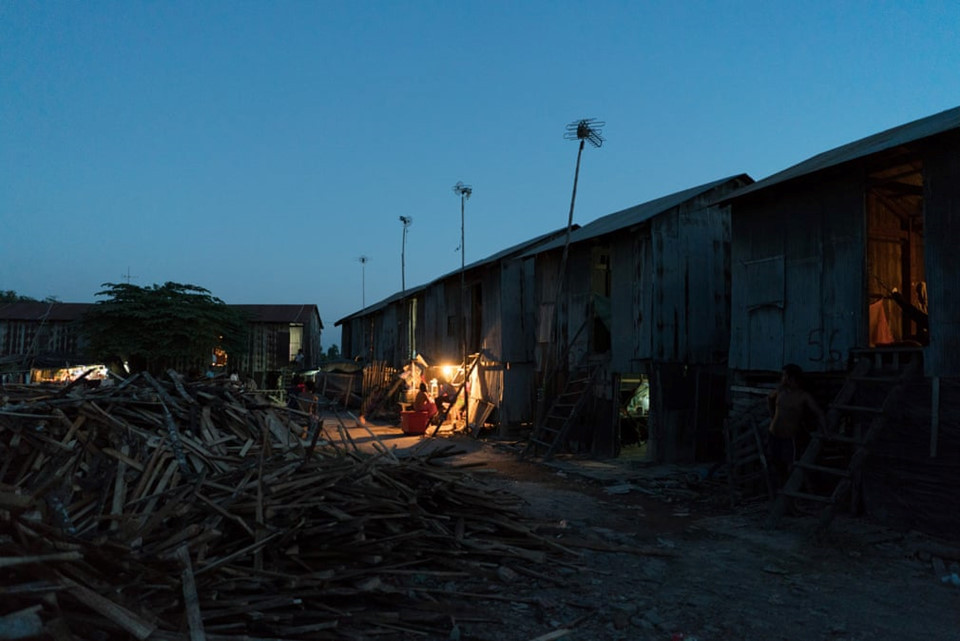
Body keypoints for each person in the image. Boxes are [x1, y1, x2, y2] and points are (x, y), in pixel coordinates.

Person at [766, 364, 826, 492]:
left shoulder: (803, 396)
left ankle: (789, 494)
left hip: (789, 437)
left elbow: (818, 413)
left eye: (784, 375)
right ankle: (778, 490)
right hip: (774, 434)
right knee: (774, 462)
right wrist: (772, 415)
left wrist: (826, 431)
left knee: (790, 465)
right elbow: (769, 398)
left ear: (790, 378)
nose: (782, 378)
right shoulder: (780, 391)